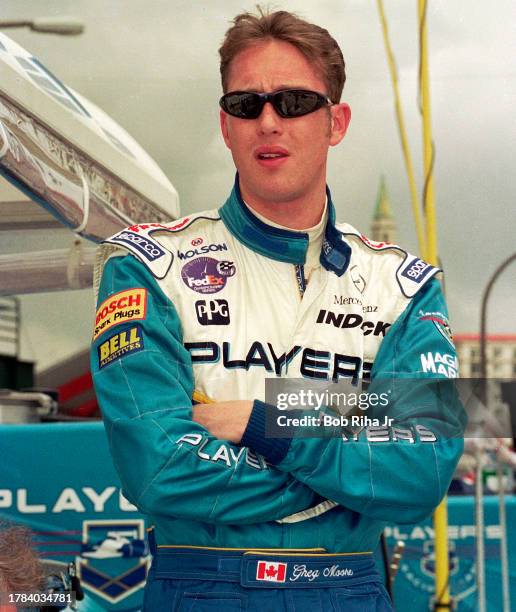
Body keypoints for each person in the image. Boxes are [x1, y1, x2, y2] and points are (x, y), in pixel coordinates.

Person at [91, 7, 465, 611]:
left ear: (335, 121)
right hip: (203, 586)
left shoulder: (404, 284)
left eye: (292, 102)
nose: (268, 121)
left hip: (350, 588)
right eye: (246, 104)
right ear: (225, 124)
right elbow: (159, 471)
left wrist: (265, 425)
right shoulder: (146, 264)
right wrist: (348, 461)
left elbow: (421, 472)